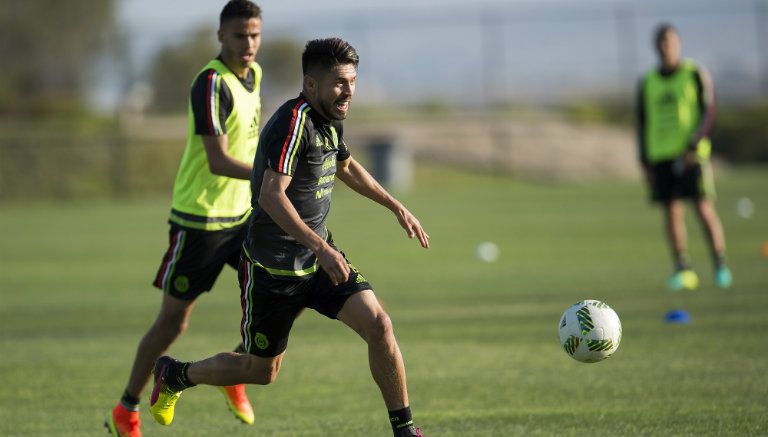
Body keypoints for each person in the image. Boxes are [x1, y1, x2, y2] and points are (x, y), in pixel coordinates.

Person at [148, 37, 430, 437]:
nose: (348, 90)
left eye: (352, 81)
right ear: (311, 84)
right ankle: (176, 374)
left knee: (379, 325)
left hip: (318, 260)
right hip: (271, 271)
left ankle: (405, 431)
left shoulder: (330, 116)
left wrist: (394, 205)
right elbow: (270, 194)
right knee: (260, 371)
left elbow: (345, 166)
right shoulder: (293, 122)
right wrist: (320, 247)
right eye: (338, 82)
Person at [105, 2, 263, 436]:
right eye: (238, 36)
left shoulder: (256, 75)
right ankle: (126, 409)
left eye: (254, 35)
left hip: (243, 217)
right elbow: (217, 160)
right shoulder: (210, 84)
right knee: (173, 323)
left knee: (298, 282)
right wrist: (271, 173)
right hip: (200, 221)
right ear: (221, 37)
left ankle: (235, 370)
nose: (248, 44)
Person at [636, 23, 732, 291]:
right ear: (655, 46)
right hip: (661, 156)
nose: (666, 46)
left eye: (670, 40)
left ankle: (720, 264)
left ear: (678, 43)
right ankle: (683, 269)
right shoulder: (648, 82)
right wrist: (645, 159)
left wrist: (695, 144)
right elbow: (643, 122)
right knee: (671, 212)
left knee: (703, 208)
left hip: (691, 156)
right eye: (661, 41)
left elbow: (709, 111)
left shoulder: (693, 74)